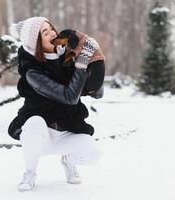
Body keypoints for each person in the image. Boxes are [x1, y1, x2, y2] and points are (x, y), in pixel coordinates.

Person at [8, 17, 105, 192]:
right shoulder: (32, 71)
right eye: (45, 32)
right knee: (33, 123)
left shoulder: (68, 56)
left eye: (51, 28)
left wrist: (95, 60)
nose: (53, 33)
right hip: (42, 135)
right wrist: (81, 66)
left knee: (95, 155)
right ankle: (30, 173)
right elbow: (69, 97)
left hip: (68, 130)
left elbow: (97, 92)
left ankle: (68, 160)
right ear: (36, 42)